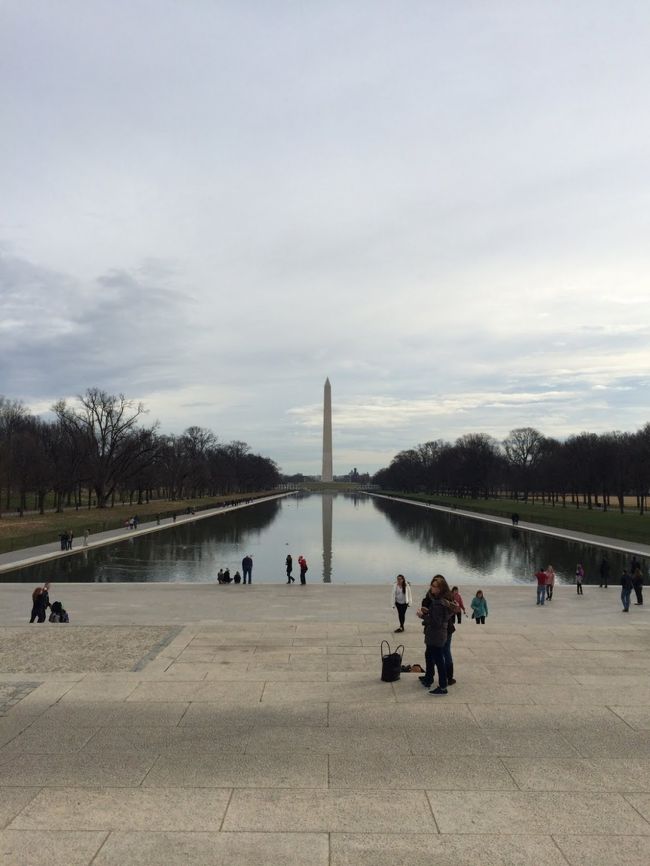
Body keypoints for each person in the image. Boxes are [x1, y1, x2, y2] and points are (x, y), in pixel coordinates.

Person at [416, 575, 457, 694]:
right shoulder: (442, 601)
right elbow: (440, 617)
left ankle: (443, 686)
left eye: (434, 586)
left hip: (436, 635)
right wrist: (429, 613)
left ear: (439, 589)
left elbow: (436, 622)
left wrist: (423, 616)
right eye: (432, 585)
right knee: (431, 655)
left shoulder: (438, 603)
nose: (431, 588)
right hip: (439, 635)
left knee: (439, 660)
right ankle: (429, 679)